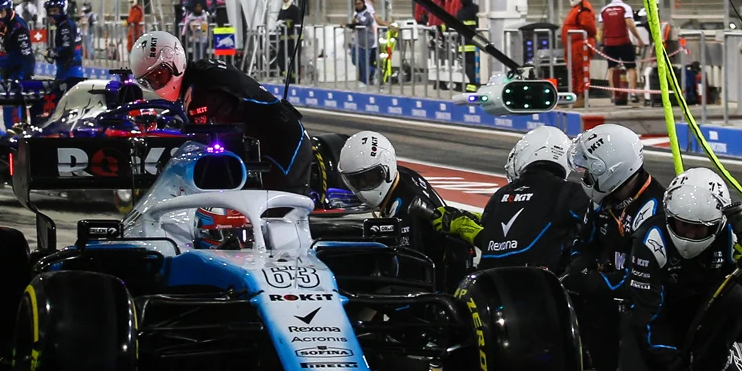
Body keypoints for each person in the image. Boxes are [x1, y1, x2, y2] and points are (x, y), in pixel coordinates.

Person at [616, 169, 742, 371]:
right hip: (656, 319)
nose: (689, 235)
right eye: (683, 226)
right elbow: (647, 315)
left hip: (702, 319)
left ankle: (714, 367)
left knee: (736, 296)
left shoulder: (732, 237)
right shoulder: (649, 240)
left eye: (698, 230)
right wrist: (676, 369)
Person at [130, 30, 317, 196]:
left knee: (279, 220)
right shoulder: (199, 74)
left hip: (282, 148)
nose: (157, 84)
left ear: (174, 59)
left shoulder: (200, 92)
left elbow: (207, 141)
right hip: (271, 145)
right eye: (150, 82)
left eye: (159, 75)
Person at [564, 123, 658, 371]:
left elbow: (641, 282)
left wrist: (593, 281)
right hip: (609, 289)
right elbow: (582, 245)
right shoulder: (601, 201)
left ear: (609, 171)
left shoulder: (654, 210)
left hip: (644, 298)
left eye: (587, 172)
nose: (583, 179)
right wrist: (579, 271)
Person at [337, 131, 481, 287]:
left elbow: (410, 273)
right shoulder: (404, 177)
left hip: (439, 282)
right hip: (443, 265)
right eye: (355, 180)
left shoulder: (405, 210)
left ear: (387, 169)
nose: (362, 186)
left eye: (369, 178)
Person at [475, 125, 586, 272]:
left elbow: (489, 238)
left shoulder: (499, 195)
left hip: (488, 285)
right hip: (541, 287)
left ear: (525, 153)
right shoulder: (570, 191)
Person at [598, 0, 637, 106]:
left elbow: (601, 28)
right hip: (624, 42)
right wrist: (638, 38)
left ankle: (614, 95)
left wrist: (601, 43)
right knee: (631, 67)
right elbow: (629, 24)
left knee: (611, 69)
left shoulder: (604, 10)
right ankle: (634, 93)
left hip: (609, 43)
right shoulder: (625, 8)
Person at [0, 0, 34, 82]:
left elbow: (26, 56)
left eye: (1, 12)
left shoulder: (18, 27)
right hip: (5, 71)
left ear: (7, 10)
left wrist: (23, 78)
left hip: (17, 74)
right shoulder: (3, 25)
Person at [562, 0, 598, 106]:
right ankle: (575, 96)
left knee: (581, 71)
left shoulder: (584, 9)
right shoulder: (576, 8)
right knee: (574, 71)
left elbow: (590, 28)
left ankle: (582, 96)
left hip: (580, 45)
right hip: (572, 45)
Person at [42, 0, 80, 82]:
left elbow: (68, 49)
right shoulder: (65, 24)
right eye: (50, 11)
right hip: (67, 68)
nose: (52, 14)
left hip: (69, 70)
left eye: (55, 11)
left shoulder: (65, 26)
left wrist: (52, 52)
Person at [454, 0, 481, 88]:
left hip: (473, 43)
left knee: (471, 66)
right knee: (468, 67)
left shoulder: (474, 10)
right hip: (465, 44)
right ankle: (472, 85)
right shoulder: (461, 11)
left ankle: (473, 85)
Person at [276, 0, 304, 83]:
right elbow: (279, 19)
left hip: (294, 39)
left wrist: (285, 22)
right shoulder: (282, 9)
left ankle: (295, 78)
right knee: (280, 59)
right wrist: (279, 22)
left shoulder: (295, 9)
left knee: (295, 60)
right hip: (284, 39)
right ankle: (286, 75)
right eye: (284, 0)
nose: (285, 1)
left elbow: (296, 22)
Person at [348, 0, 376, 85]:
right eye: (356, 4)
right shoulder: (357, 15)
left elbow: (360, 24)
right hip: (357, 42)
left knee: (364, 63)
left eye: (360, 3)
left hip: (366, 42)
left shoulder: (367, 15)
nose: (358, 5)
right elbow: (354, 25)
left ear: (363, 4)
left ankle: (365, 81)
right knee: (355, 60)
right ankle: (373, 70)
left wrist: (351, 24)